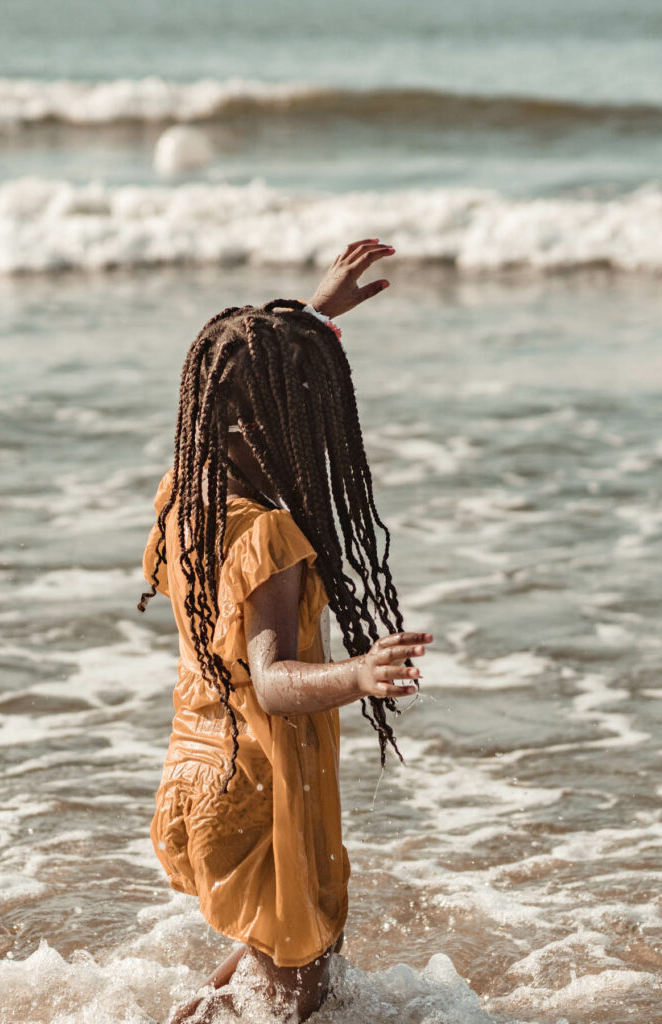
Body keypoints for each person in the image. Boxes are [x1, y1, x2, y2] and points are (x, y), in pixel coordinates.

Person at [138, 238, 433, 1023]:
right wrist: (356, 676)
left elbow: (242, 376)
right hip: (261, 787)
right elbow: (271, 678)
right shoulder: (269, 538)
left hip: (202, 773)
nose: (318, 433)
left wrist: (312, 313)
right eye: (305, 415)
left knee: (295, 957)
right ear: (265, 430)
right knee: (302, 989)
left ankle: (195, 1010)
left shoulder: (186, 498)